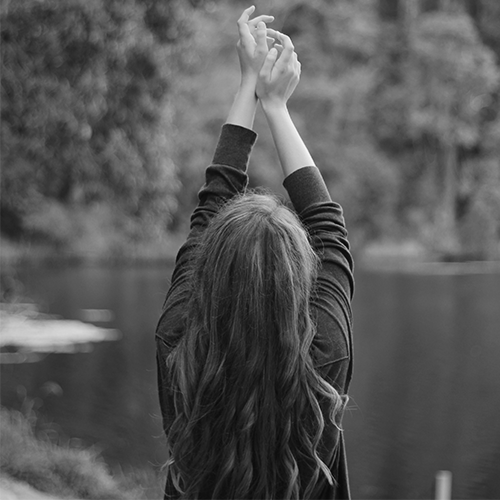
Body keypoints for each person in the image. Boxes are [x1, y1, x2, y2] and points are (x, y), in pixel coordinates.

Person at [155, 6, 354, 499]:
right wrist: (274, 105)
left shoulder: (179, 344)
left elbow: (210, 210)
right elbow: (328, 226)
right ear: (299, 276)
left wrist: (249, 87)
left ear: (210, 269)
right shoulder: (324, 354)